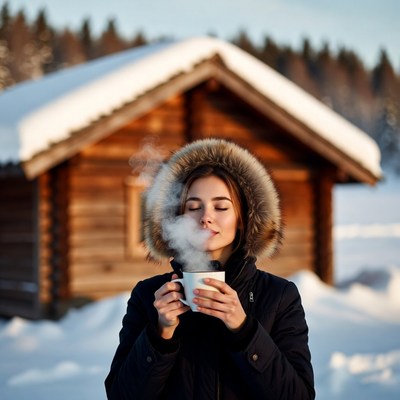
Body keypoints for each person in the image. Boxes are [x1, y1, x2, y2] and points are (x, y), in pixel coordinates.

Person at [105, 138, 315, 399]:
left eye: (221, 206)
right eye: (193, 207)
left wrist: (245, 330)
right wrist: (160, 334)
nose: (206, 216)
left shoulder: (279, 296)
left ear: (242, 218)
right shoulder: (149, 296)